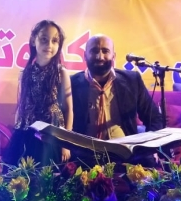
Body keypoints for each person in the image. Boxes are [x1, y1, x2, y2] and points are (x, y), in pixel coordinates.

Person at [70, 34, 163, 163]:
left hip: (125, 154)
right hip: (86, 154)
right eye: (94, 51)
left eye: (105, 51)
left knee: (149, 163)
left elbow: (155, 118)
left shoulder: (132, 81)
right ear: (85, 55)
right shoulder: (72, 84)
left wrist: (151, 146)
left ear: (114, 56)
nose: (100, 56)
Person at [2, 20, 73, 166]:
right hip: (27, 131)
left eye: (54, 41)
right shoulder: (26, 73)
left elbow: (69, 110)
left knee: (48, 175)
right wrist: (16, 133)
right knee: (23, 174)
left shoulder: (61, 72)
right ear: (34, 40)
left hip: (52, 134)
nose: (49, 45)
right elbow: (21, 105)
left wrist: (66, 144)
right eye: (44, 39)